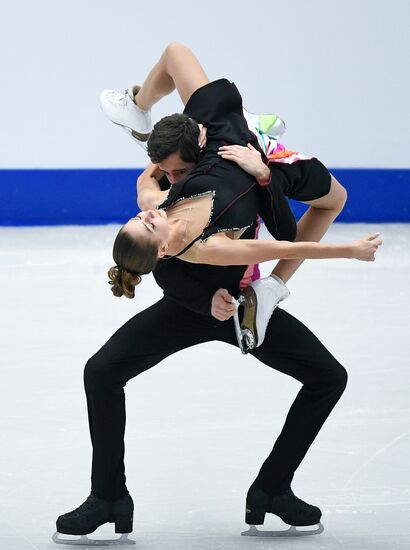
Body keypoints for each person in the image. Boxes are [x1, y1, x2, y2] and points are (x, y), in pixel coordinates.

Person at [55, 44, 381, 543]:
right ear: (162, 252)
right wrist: (349, 251)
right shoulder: (205, 250)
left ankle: (272, 489)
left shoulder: (163, 194)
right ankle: (108, 498)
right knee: (101, 372)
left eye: (139, 217)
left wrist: (141, 108)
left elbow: (174, 63)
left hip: (240, 306)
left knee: (327, 378)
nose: (145, 215)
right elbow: (286, 242)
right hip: (211, 304)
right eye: (147, 227)